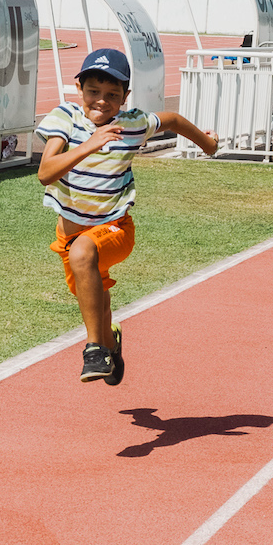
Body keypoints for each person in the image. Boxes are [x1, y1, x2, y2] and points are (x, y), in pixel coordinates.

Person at [36, 48, 218, 384]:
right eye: (93, 91)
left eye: (112, 95)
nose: (101, 101)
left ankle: (94, 350)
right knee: (93, 292)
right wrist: (89, 144)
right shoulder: (65, 118)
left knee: (84, 253)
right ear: (79, 88)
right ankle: (109, 343)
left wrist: (207, 144)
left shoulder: (132, 123)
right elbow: (46, 172)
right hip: (69, 237)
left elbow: (173, 121)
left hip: (115, 230)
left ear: (125, 97)